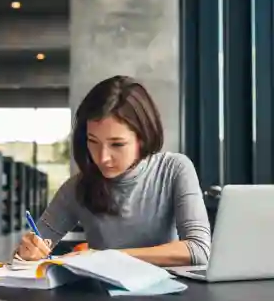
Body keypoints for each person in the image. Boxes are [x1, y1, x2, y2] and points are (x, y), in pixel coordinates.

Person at [15, 75, 211, 267]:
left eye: (117, 144)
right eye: (93, 142)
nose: (102, 158)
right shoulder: (77, 187)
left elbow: (199, 249)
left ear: (142, 138)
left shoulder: (174, 169)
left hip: (169, 295)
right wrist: (26, 253)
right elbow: (21, 258)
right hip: (102, 297)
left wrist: (106, 257)